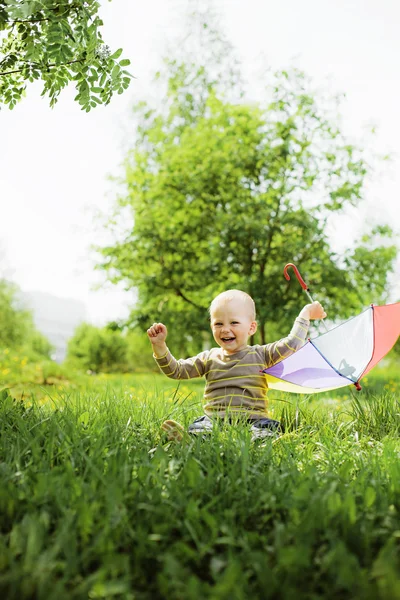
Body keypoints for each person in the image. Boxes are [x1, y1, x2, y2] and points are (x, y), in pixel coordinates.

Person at [147, 289, 326, 442]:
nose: (225, 329)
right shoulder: (209, 358)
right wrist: (160, 346)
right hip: (215, 420)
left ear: (251, 328)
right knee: (201, 429)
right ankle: (189, 441)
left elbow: (292, 344)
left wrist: (306, 314)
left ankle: (263, 443)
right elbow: (176, 371)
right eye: (218, 323)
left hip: (254, 420)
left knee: (266, 430)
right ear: (211, 327)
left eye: (234, 322)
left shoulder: (262, 354)